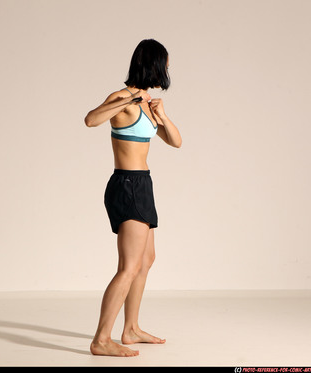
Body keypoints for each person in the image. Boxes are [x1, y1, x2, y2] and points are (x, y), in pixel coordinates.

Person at [84, 39, 182, 357]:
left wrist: (162, 115)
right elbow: (91, 119)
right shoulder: (123, 98)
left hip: (143, 184)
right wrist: (129, 96)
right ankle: (101, 339)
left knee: (146, 261)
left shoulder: (147, 104)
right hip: (126, 184)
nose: (167, 70)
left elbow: (176, 142)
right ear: (153, 64)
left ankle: (130, 329)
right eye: (165, 65)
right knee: (128, 266)